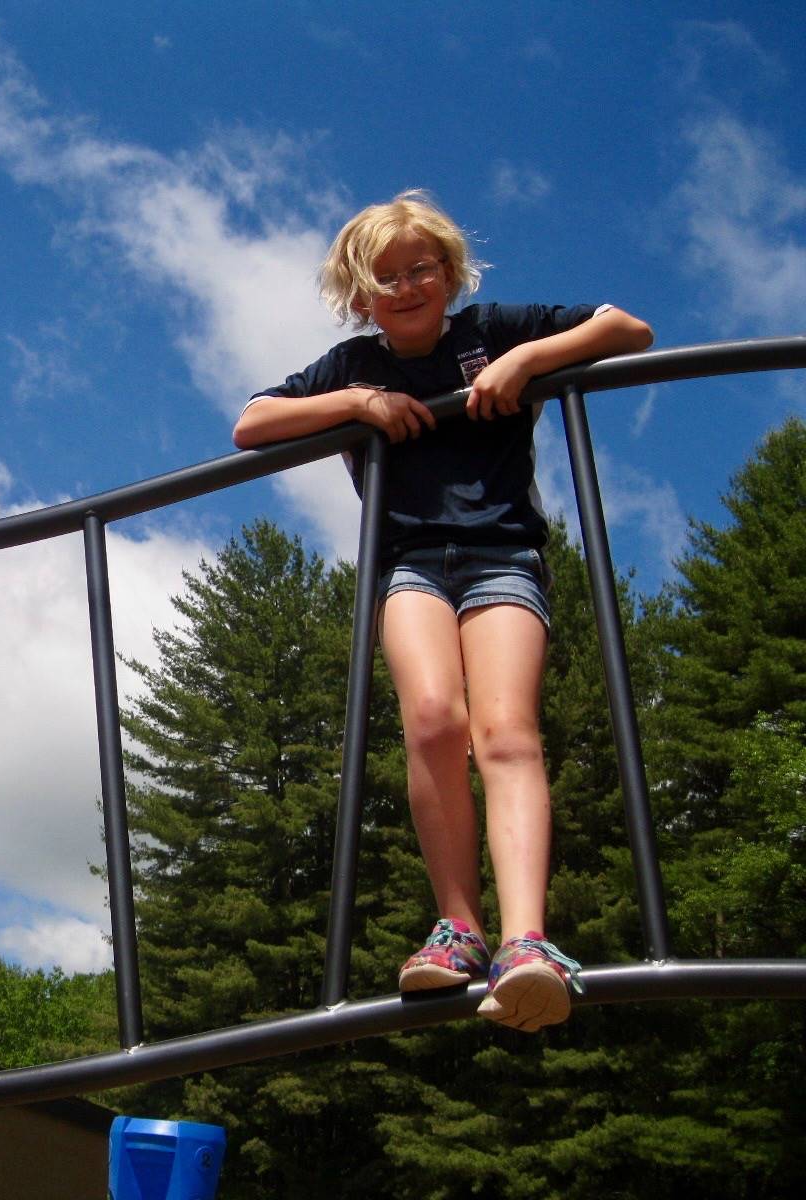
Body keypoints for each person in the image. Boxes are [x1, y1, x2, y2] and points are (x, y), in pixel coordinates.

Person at [233, 191, 653, 1031]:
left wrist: (529, 362)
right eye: (383, 277)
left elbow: (626, 328)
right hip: (411, 567)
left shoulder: (493, 329)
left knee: (505, 731)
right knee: (429, 719)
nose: (404, 286)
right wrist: (357, 406)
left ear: (450, 274)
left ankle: (526, 940)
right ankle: (458, 925)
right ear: (359, 296)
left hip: (503, 557)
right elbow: (253, 423)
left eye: (420, 268)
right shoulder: (355, 366)